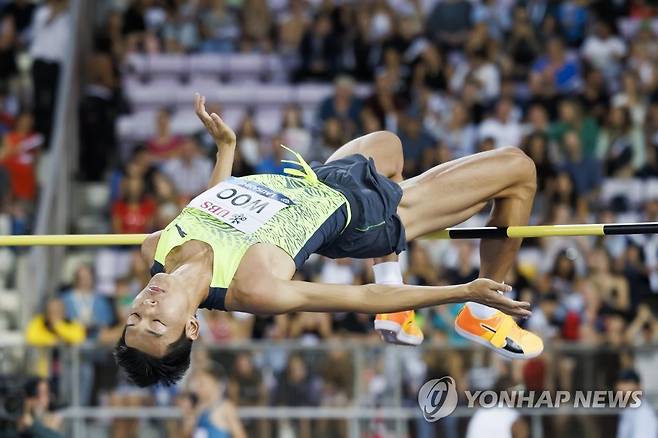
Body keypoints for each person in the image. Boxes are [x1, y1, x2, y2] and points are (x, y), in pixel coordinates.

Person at [114, 93, 543, 387]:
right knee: (518, 169)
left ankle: (397, 303)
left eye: (134, 319)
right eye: (158, 324)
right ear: (191, 327)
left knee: (388, 144)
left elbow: (211, 211)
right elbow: (359, 298)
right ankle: (482, 314)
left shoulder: (156, 247)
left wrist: (226, 150)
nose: (146, 309)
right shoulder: (251, 288)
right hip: (363, 217)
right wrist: (462, 290)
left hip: (317, 177)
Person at [616, 369, 658, 438]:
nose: (623, 389)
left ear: (638, 386)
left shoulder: (644, 413)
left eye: (627, 383)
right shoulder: (628, 411)